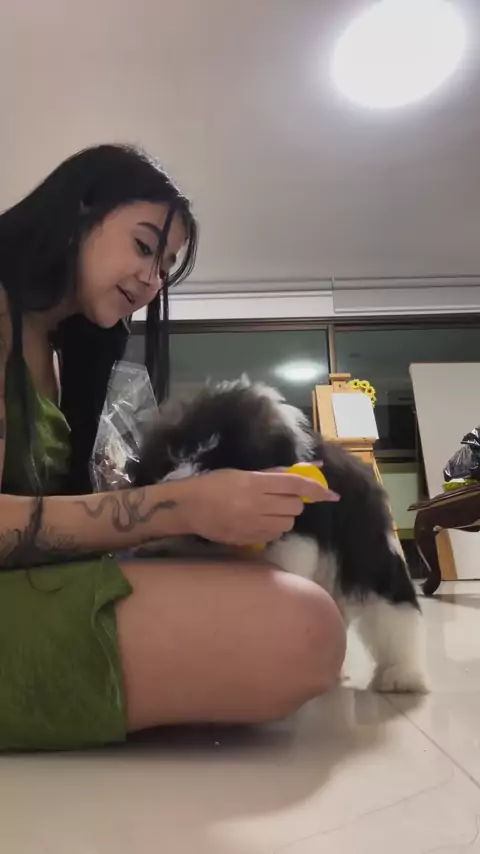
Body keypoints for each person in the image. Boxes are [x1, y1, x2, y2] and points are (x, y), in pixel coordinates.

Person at [0, 144, 346, 751]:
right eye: (143, 246)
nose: (151, 279)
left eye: (165, 266)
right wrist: (176, 507)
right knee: (304, 628)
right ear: (80, 211)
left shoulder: (60, 349)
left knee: (270, 587)